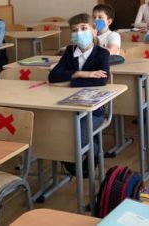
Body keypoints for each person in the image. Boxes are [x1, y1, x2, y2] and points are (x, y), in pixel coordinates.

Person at [49, 13, 110, 176]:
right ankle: (77, 165)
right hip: (67, 107)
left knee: (77, 139)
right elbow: (53, 76)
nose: (79, 33)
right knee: (59, 135)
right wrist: (80, 74)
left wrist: (69, 82)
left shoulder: (102, 53)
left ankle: (94, 154)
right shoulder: (69, 51)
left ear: (94, 31)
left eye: (84, 28)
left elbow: (101, 81)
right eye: (75, 30)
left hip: (94, 109)